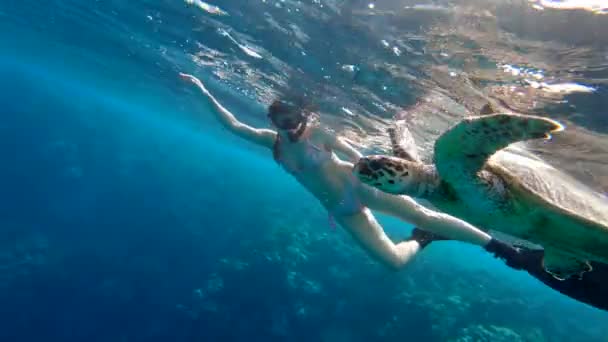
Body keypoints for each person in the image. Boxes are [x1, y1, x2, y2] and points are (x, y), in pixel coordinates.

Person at [179, 72, 508, 271]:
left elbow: (353, 153)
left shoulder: (317, 133)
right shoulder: (272, 142)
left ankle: (502, 249)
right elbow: (233, 125)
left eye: (296, 119)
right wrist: (202, 91)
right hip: (341, 209)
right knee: (393, 262)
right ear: (274, 123)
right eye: (284, 122)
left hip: (361, 186)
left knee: (423, 215)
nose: (292, 127)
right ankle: (421, 243)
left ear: (303, 115)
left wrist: (368, 168)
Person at [411, 227, 608, 312]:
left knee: (518, 254)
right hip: (593, 281)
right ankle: (435, 232)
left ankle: (435, 232)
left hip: (593, 285)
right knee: (519, 253)